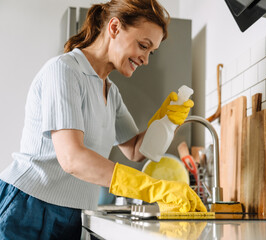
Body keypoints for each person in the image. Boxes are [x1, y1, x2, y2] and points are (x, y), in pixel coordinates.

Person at [0, 0, 206, 239]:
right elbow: (72, 159)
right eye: (143, 45)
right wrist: (152, 189)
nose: (146, 59)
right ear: (115, 28)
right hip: (28, 207)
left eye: (151, 52)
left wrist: (166, 121)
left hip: (71, 213)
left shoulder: (111, 91)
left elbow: (136, 151)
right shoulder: (65, 71)